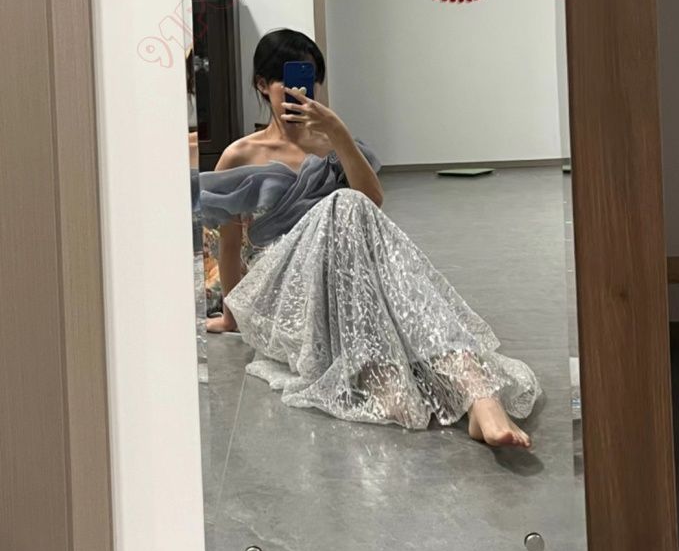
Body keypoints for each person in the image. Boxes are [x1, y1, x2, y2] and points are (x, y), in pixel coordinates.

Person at [200, 29, 541, 447]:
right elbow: (228, 243)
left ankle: (479, 395)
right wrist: (232, 315)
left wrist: (338, 135)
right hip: (283, 288)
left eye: (309, 81)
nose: (298, 92)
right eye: (285, 83)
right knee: (345, 204)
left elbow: (372, 201)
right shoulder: (240, 153)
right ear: (261, 84)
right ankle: (389, 376)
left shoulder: (332, 142)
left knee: (374, 244)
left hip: (340, 274)